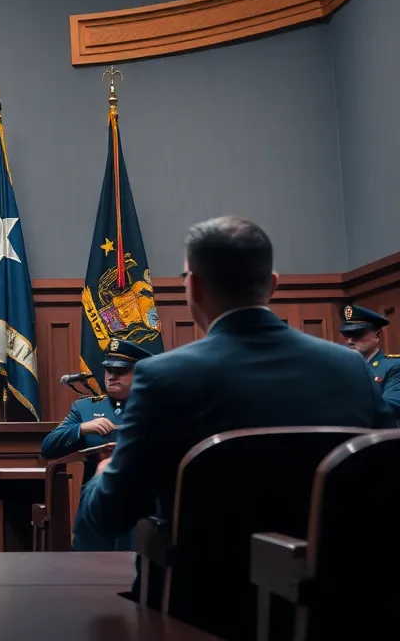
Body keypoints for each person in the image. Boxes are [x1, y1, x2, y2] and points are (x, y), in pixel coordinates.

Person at [75, 217, 393, 559]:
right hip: (329, 598)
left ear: (193, 287)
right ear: (272, 285)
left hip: (193, 603)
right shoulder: (351, 369)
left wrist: (102, 475)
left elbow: (109, 517)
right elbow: (387, 483)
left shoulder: (162, 378)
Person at [40, 338, 152, 550]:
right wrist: (82, 428)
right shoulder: (85, 409)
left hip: (140, 506)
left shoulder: (154, 407)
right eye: (108, 370)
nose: (112, 376)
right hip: (95, 510)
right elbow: (48, 448)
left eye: (121, 371)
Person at [339, 305, 400, 402]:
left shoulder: (394, 367)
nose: (350, 341)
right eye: (347, 334)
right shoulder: (341, 368)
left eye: (357, 334)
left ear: (377, 336)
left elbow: (390, 408)